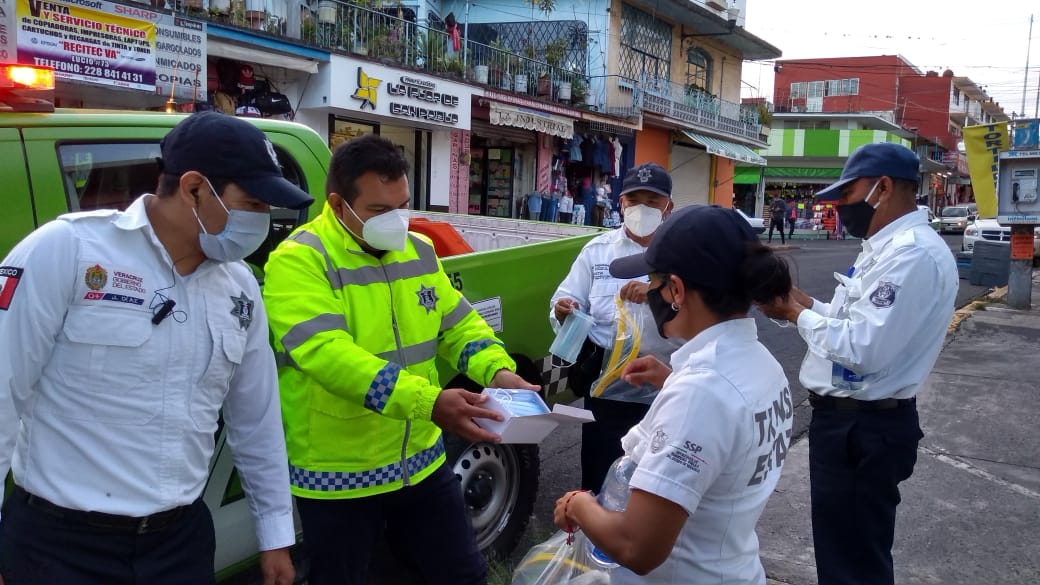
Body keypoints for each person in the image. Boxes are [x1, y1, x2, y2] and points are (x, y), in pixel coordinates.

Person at [0, 111, 311, 585]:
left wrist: (275, 536)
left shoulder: (240, 288)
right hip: (58, 547)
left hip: (178, 543)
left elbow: (256, 420)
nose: (263, 221)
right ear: (193, 189)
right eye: (253, 203)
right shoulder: (67, 251)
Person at [262, 134, 538, 585]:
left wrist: (498, 369)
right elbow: (328, 354)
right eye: (378, 210)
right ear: (338, 204)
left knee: (463, 574)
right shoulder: (299, 261)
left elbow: (459, 326)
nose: (394, 220)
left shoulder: (419, 251)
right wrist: (428, 403)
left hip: (422, 461)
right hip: (340, 475)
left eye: (401, 206)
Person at [553, 205, 795, 584]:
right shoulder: (762, 367)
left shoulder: (702, 392)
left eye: (653, 281)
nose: (650, 292)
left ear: (677, 290)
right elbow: (726, 433)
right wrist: (671, 379)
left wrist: (579, 505)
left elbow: (637, 547)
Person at [758, 142, 958, 585]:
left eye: (847, 196)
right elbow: (857, 319)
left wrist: (795, 314)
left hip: (862, 431)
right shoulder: (888, 247)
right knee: (844, 552)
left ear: (882, 188)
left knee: (852, 565)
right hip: (855, 426)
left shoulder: (911, 254)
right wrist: (807, 304)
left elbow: (863, 348)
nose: (840, 208)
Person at [550, 162, 676, 491]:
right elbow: (565, 299)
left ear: (668, 207)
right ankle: (592, 538)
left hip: (668, 385)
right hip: (607, 383)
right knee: (600, 474)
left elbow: (702, 313)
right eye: (634, 200)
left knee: (657, 481)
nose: (641, 208)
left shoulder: (682, 256)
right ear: (621, 203)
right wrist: (563, 311)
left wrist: (656, 295)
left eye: (652, 201)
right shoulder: (597, 252)